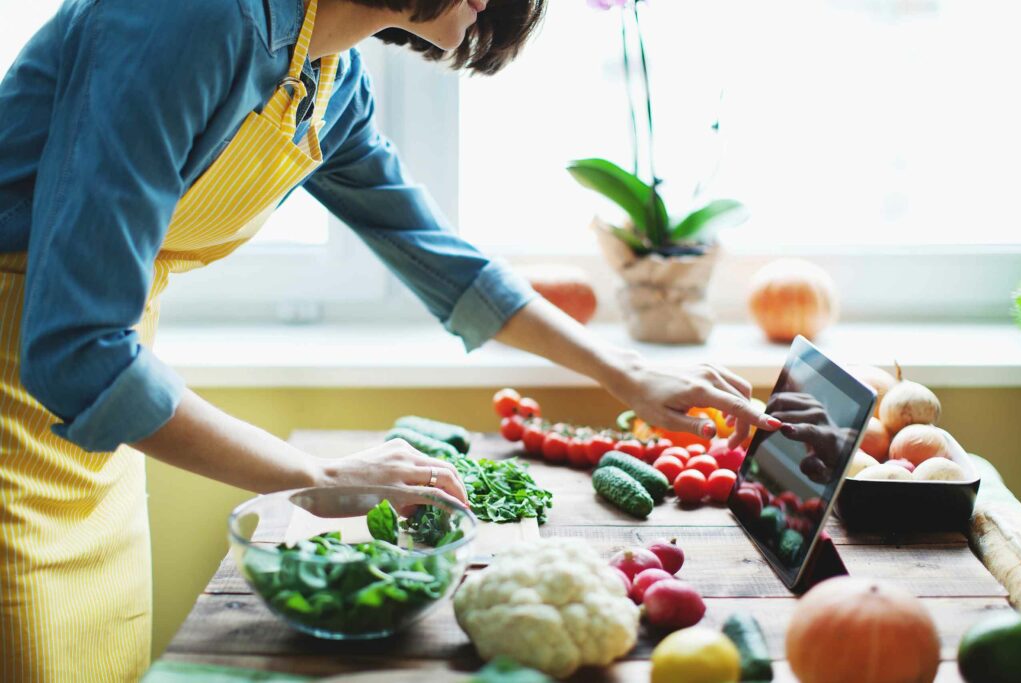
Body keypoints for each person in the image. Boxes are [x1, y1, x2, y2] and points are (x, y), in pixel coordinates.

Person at [0, 0, 780, 678]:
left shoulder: (326, 77)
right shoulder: (192, 16)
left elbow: (442, 261)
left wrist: (628, 371)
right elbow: (76, 346)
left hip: (93, 427)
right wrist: (323, 472)